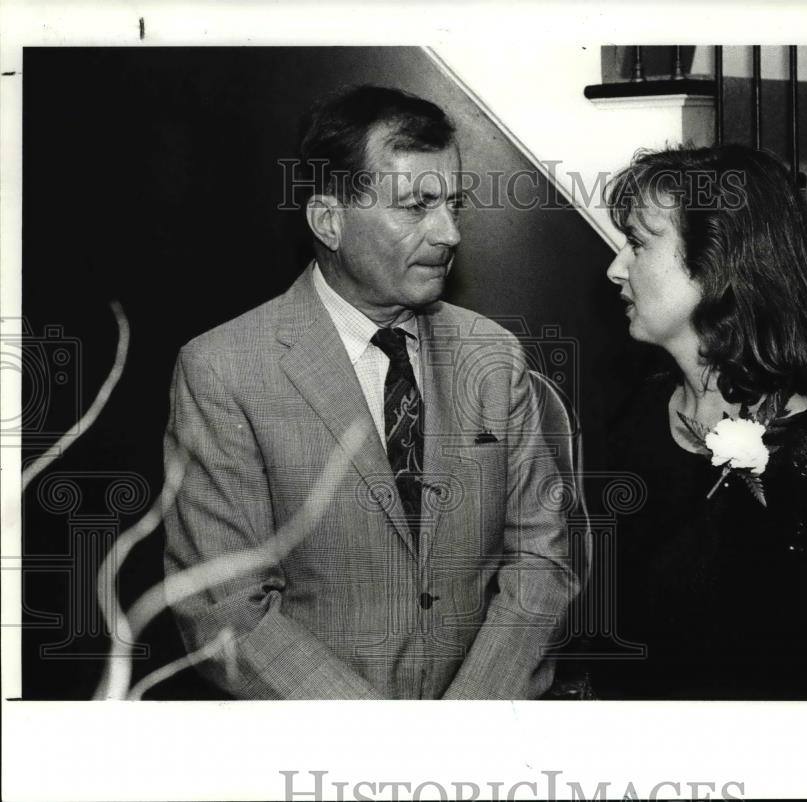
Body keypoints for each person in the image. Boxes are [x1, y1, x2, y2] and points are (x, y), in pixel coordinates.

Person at [162, 85, 579, 699]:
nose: (449, 233)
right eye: (416, 207)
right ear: (329, 221)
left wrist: (468, 720)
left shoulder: (492, 355)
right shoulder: (223, 371)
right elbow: (224, 608)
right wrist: (380, 743)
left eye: (453, 204)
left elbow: (542, 563)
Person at [594, 144, 807, 700]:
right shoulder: (639, 412)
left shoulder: (806, 465)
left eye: (637, 244)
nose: (614, 267)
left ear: (717, 263)